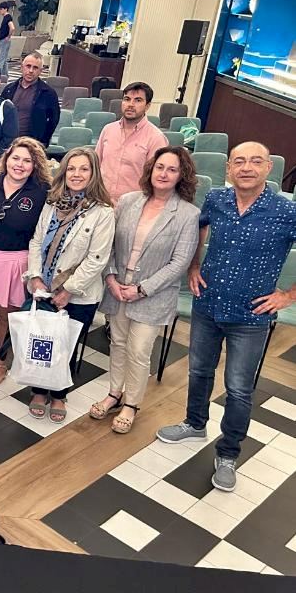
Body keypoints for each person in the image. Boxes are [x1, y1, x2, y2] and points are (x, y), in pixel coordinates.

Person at [157, 142, 296, 493]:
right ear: (229, 168)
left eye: (255, 161)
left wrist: (288, 295)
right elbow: (198, 229)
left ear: (268, 168)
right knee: (199, 371)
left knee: (238, 388)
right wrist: (193, 266)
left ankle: (229, 453)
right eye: (239, 161)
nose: (246, 167)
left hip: (251, 315)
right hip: (208, 304)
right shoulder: (217, 199)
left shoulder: (285, 210)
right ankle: (195, 424)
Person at [93, 147, 199, 433]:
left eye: (172, 169)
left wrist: (141, 289)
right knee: (117, 343)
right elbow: (108, 243)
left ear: (181, 176)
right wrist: (111, 278)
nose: (163, 174)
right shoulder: (129, 201)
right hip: (117, 288)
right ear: (151, 169)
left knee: (139, 350)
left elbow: (180, 262)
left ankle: (131, 403)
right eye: (160, 167)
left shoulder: (188, 214)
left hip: (153, 294)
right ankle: (114, 393)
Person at [24, 147, 115, 424]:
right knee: (42, 341)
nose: (77, 174)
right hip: (45, 287)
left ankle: (59, 394)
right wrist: (35, 276)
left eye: (84, 169)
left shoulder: (103, 212)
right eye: (71, 168)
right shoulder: (52, 203)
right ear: (63, 172)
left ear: (93, 173)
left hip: (79, 294)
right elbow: (36, 241)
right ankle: (39, 390)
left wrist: (68, 290)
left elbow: (97, 258)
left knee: (66, 346)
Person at [0, 137, 52, 390]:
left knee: (7, 317)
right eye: (16, 158)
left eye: (27, 160)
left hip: (17, 261)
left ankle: (1, 363)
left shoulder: (42, 192)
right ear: (7, 159)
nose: (20, 164)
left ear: (35, 165)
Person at [95, 81, 168, 205]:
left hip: (133, 207)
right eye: (127, 99)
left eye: (138, 100)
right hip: (101, 202)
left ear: (147, 106)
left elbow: (156, 179)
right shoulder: (108, 130)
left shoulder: (156, 138)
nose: (130, 104)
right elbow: (96, 165)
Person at [0, 52, 60, 146]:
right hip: (7, 142)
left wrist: (42, 142)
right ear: (22, 67)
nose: (31, 71)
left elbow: (53, 120)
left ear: (40, 71)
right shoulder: (9, 89)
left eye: (35, 68)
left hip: (31, 144)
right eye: (28, 66)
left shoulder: (48, 94)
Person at [0, 2, 15, 78]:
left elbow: (12, 28)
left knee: (0, 59)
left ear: (5, 9)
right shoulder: (6, 17)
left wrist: (8, 36)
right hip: (4, 40)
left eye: (1, 9)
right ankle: (5, 75)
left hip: (4, 40)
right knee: (4, 59)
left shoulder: (7, 17)